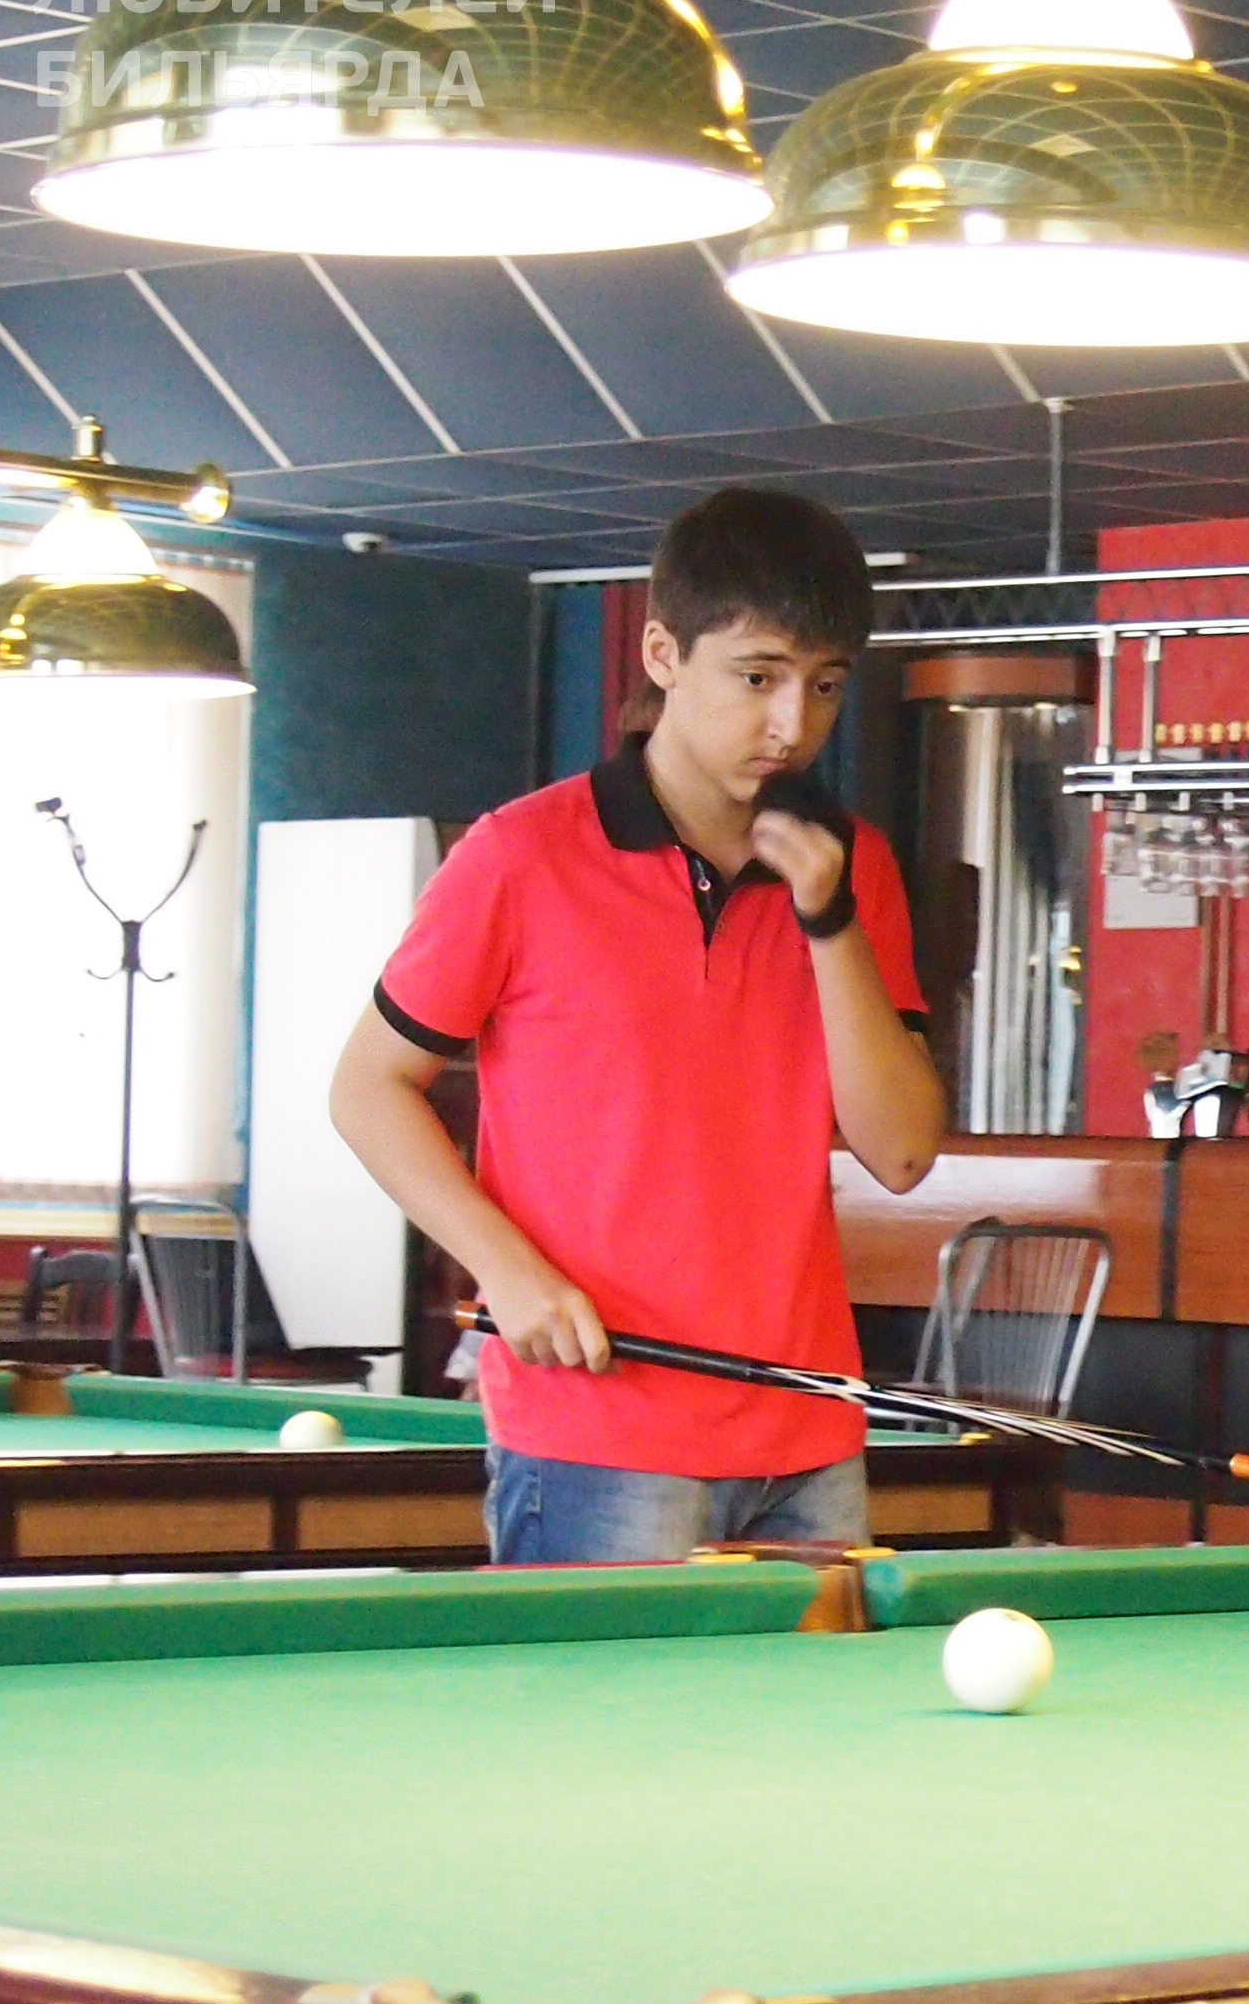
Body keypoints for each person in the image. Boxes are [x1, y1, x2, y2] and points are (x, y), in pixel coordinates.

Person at [330, 487, 946, 1564]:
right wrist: (506, 1269)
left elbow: (899, 1153)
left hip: (808, 1420)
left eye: (824, 686)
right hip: (596, 1423)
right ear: (664, 654)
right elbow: (365, 1088)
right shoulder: (520, 854)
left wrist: (830, 921)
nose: (792, 724)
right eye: (757, 677)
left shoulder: (858, 871)